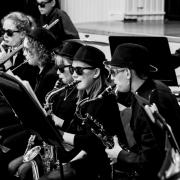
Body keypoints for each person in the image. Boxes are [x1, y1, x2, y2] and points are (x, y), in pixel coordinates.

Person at [38, 45, 128, 180]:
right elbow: (79, 130)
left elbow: (92, 142)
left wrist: (59, 135)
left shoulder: (102, 100)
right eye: (73, 69)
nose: (74, 74)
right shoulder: (85, 97)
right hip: (90, 156)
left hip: (102, 164)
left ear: (96, 72)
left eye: (79, 70)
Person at [7, 40, 83, 180]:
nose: (57, 72)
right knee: (12, 166)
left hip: (69, 148)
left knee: (23, 170)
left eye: (61, 68)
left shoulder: (80, 94)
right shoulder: (60, 90)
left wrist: (52, 119)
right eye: (56, 67)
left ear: (75, 68)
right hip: (53, 143)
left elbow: (75, 128)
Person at [104, 43, 180, 180]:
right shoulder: (153, 88)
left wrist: (120, 155)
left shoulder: (147, 104)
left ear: (127, 72)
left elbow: (152, 162)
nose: (112, 78)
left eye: (114, 72)